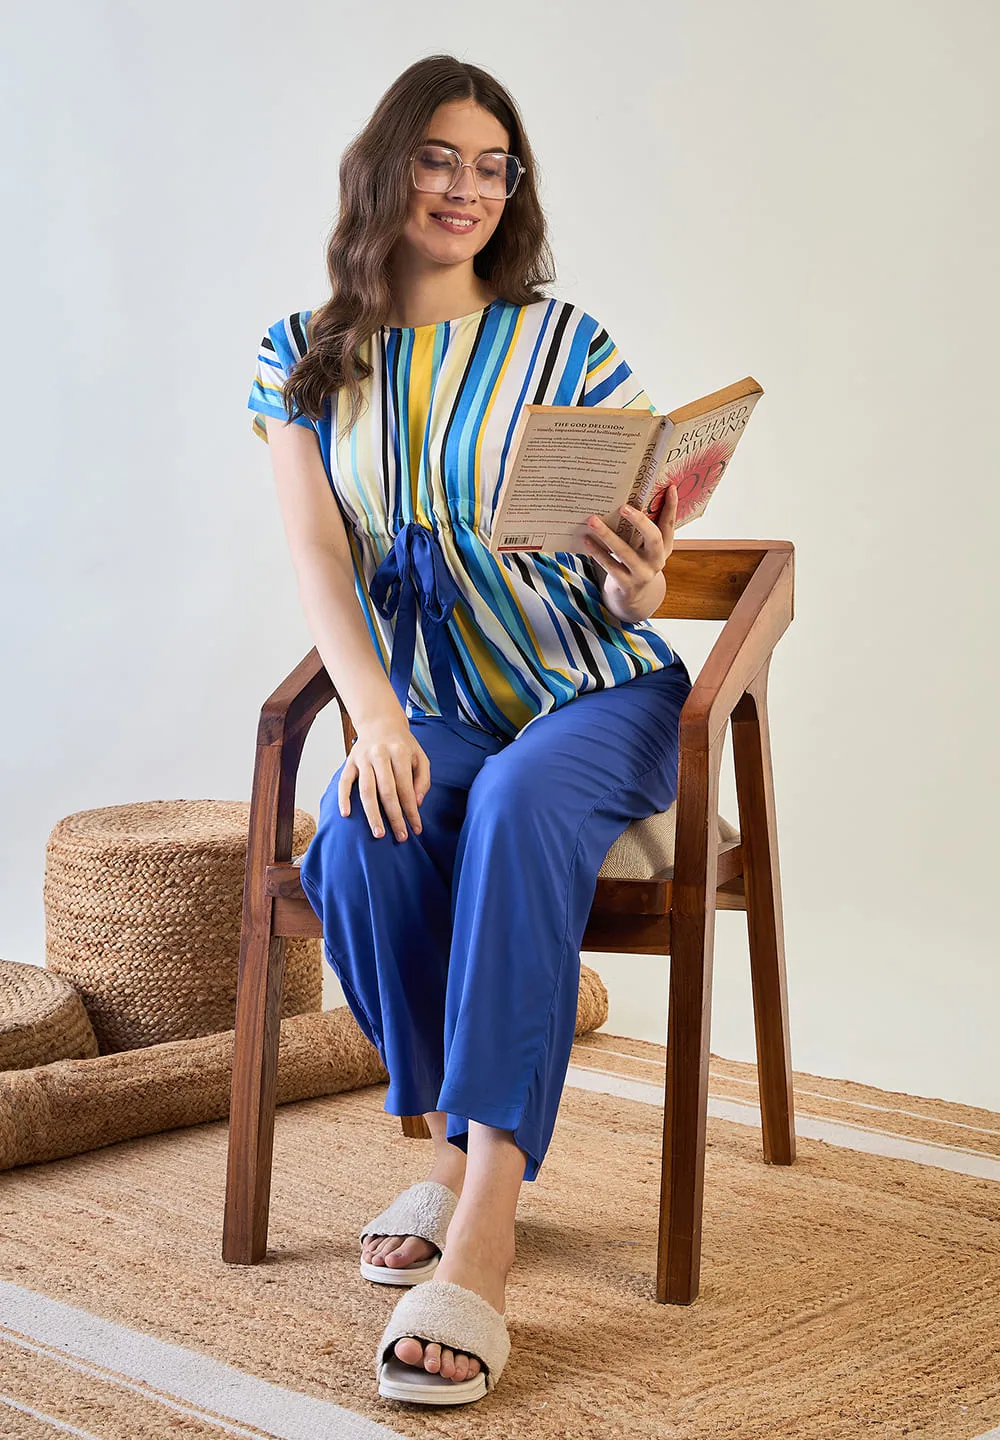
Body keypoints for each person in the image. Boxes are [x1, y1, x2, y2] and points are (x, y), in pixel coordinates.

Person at [246, 53, 690, 1407]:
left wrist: (641, 578)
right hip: (440, 704)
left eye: (494, 168)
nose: (467, 189)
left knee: (507, 807)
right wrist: (373, 717)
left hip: (597, 691)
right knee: (363, 840)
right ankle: (441, 1137)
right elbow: (320, 562)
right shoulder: (304, 361)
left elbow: (638, 562)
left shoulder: (568, 342)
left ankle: (485, 1215)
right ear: (388, 168)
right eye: (441, 158)